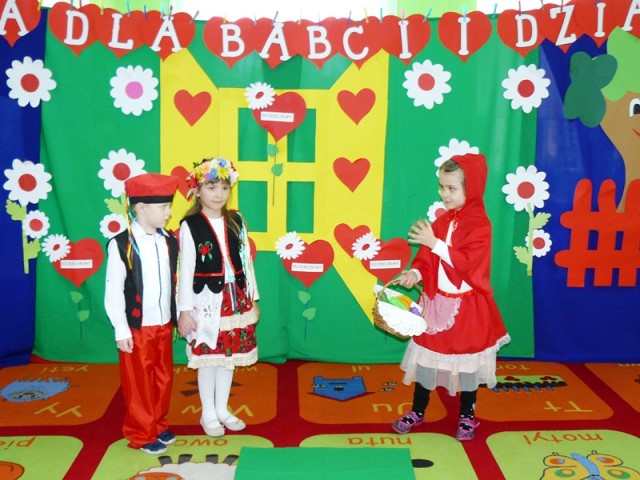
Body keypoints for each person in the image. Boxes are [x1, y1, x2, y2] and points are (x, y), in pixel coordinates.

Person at [392, 153, 510, 441]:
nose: (444, 194)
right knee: (426, 358)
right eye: (442, 187)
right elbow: (426, 259)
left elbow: (466, 263)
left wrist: (434, 242)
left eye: (451, 188)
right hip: (437, 302)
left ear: (472, 188)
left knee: (468, 363)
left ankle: (467, 415)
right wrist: (415, 274)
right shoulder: (442, 221)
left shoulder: (481, 225)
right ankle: (418, 410)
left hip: (467, 307)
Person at [177, 157, 260, 438]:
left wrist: (253, 298)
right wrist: (184, 311)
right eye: (211, 187)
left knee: (228, 356)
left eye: (224, 188)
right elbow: (185, 271)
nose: (219, 194)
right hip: (206, 301)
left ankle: (222, 409)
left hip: (235, 298)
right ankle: (208, 413)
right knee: (209, 357)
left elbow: (246, 264)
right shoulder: (190, 225)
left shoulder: (236, 221)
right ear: (198, 190)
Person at [104, 172, 180, 455]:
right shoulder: (122, 244)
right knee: (139, 383)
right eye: (164, 207)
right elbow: (113, 289)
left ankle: (157, 424)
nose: (169, 213)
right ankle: (141, 432)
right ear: (141, 208)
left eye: (169, 206)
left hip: (163, 324)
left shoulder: (168, 241)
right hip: (138, 327)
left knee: (163, 377)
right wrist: (121, 328)